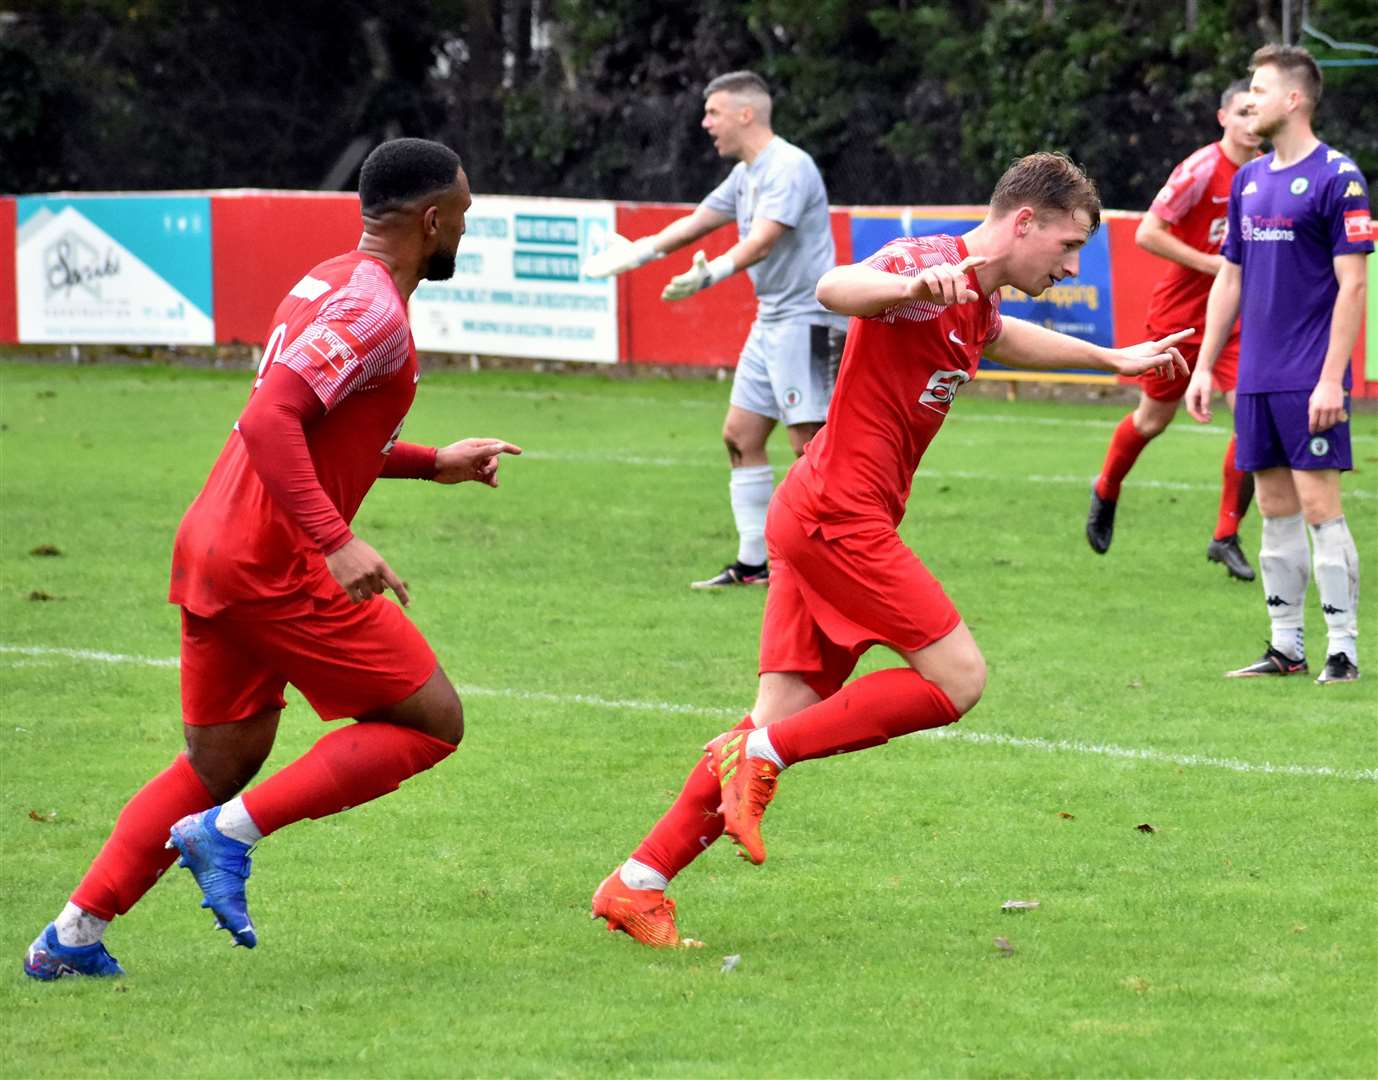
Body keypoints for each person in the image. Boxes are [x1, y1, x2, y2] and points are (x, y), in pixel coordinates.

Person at [591, 152, 1192, 946]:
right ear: (1024, 223)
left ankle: (637, 883)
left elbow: (999, 336)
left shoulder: (977, 298)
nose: (1072, 265)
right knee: (956, 679)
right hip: (839, 516)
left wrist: (1109, 360)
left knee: (779, 716)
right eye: (1068, 246)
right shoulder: (931, 265)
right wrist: (909, 288)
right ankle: (759, 752)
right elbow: (836, 288)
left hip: (821, 513)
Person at [24, 138, 522, 979]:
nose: (463, 233)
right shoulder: (370, 310)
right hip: (276, 562)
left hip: (215, 547)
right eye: (463, 217)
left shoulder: (327, 281)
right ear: (432, 220)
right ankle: (226, 837)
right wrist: (336, 540)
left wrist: (431, 461)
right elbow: (268, 424)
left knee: (217, 763)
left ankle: (69, 937)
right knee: (433, 722)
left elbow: (316, 424)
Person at [582, 70, 846, 589]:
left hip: (808, 321)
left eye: (714, 113)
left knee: (808, 446)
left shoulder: (789, 167)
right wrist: (636, 253)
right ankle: (753, 565)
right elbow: (699, 221)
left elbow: (765, 240)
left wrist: (713, 272)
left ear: (745, 114)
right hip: (772, 318)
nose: (706, 124)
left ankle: (833, 559)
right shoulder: (747, 173)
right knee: (740, 435)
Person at [1186, 45, 1370, 684]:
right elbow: (1229, 280)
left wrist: (1331, 378)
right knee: (1273, 509)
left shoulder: (1338, 177)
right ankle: (1286, 647)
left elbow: (1352, 286)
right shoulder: (1249, 178)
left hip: (1309, 376)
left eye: (1259, 91)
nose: (1248, 102)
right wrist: (1207, 365)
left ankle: (1343, 651)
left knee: (1322, 508)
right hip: (1256, 377)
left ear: (1293, 99)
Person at [1087, 79, 1262, 580]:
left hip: (1236, 320)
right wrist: (1213, 266)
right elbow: (1147, 233)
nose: (1253, 122)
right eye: (1243, 112)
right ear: (1223, 117)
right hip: (1181, 318)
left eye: (1259, 111)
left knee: (1250, 417)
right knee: (1152, 421)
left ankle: (1225, 534)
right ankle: (1107, 488)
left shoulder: (1268, 171)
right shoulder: (1202, 169)